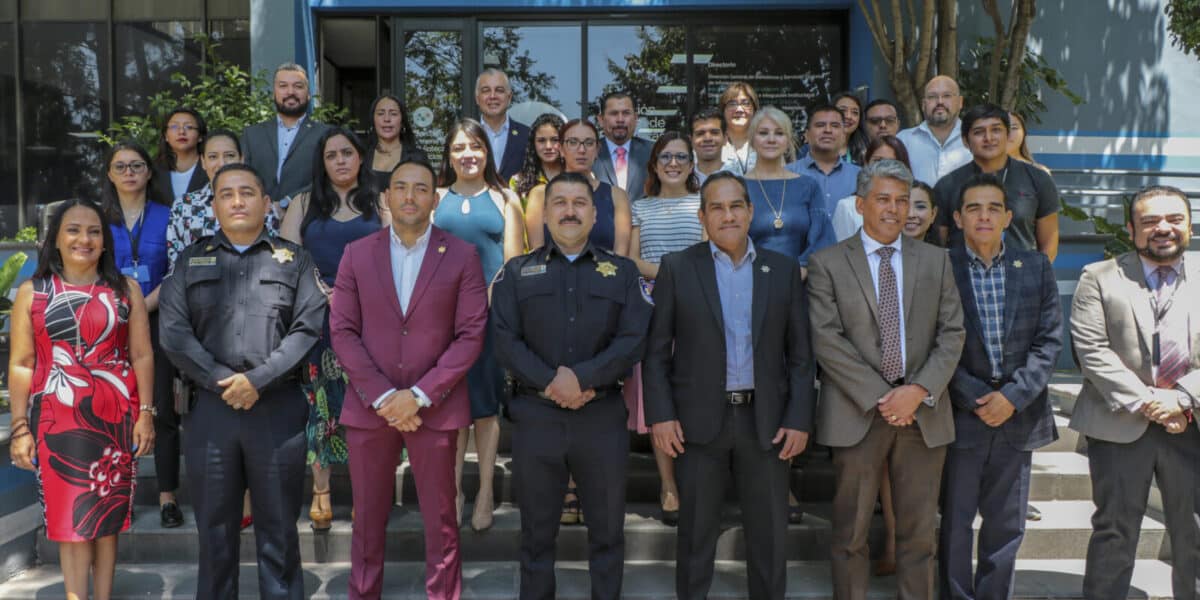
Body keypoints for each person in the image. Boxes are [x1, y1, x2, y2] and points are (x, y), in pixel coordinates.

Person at [643, 171, 814, 600]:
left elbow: (800, 355)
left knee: (769, 537)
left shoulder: (783, 270)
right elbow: (656, 353)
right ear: (702, 217)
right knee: (695, 536)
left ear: (751, 212)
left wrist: (798, 418)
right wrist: (661, 416)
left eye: (736, 205)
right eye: (716, 208)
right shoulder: (677, 267)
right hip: (698, 424)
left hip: (767, 424)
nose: (728, 215)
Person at [159, 163, 325, 599]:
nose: (237, 201)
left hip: (277, 411)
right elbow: (173, 333)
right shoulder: (190, 260)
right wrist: (221, 380)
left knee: (279, 531)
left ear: (266, 203)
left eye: (247, 193)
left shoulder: (296, 260)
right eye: (227, 194)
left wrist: (257, 380)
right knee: (214, 533)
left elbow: (307, 329)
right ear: (214, 206)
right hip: (210, 413)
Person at [330, 158, 488, 600]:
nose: (410, 196)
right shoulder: (357, 254)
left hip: (435, 408)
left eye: (421, 188)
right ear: (386, 196)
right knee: (366, 519)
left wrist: (418, 395)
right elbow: (342, 331)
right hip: (370, 408)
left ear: (435, 200)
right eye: (401, 187)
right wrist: (384, 396)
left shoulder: (462, 255)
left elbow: (471, 334)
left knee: (441, 520)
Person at [807, 159, 965, 600]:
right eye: (883, 199)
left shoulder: (936, 261)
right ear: (860, 205)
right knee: (850, 534)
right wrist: (885, 397)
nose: (895, 209)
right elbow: (826, 339)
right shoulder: (827, 263)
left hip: (923, 414)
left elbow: (953, 333)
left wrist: (916, 392)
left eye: (902, 200)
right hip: (857, 414)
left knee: (919, 536)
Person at [492, 171, 652, 599]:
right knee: (536, 535)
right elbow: (504, 340)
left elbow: (634, 338)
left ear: (595, 214)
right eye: (559, 203)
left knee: (608, 533)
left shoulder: (621, 273)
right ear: (544, 214)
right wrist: (551, 382)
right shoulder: (517, 272)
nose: (569, 211)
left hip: (601, 417)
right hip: (536, 418)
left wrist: (582, 378)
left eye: (579, 203)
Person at [7, 198, 156, 600]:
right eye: (73, 230)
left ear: (105, 242)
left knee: (106, 516)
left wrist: (146, 413)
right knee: (67, 518)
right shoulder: (33, 293)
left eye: (94, 231)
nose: (84, 239)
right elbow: (21, 364)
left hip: (115, 419)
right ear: (55, 239)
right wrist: (19, 428)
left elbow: (142, 355)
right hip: (54, 421)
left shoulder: (125, 290)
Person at [1070, 185, 1200, 600]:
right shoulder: (1099, 277)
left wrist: (1182, 398)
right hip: (1119, 424)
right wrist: (1153, 402)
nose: (1163, 228)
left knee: (1194, 532)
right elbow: (1091, 350)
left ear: (1190, 226)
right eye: (1149, 221)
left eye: (1174, 219)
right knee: (1115, 531)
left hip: (1192, 424)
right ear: (1131, 228)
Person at [939, 173, 1063, 600]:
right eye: (973, 208)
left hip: (1018, 414)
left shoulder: (1036, 267)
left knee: (1007, 526)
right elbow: (931, 342)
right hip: (961, 413)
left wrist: (1012, 396)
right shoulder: (939, 266)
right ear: (958, 218)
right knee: (955, 523)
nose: (984, 216)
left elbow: (1049, 341)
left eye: (994, 208)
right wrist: (975, 396)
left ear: (1009, 217)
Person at [278, 127, 384, 531]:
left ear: (360, 157)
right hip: (317, 314)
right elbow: (287, 258)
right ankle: (320, 491)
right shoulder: (304, 203)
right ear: (322, 163)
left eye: (347, 153)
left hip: (369, 317)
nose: (340, 160)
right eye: (331, 155)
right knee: (319, 403)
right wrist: (319, 289)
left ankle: (362, 493)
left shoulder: (380, 201)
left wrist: (354, 292)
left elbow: (395, 255)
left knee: (363, 404)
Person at [433, 118, 526, 532]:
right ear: (449, 155)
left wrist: (482, 306)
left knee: (486, 407)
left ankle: (486, 490)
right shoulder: (436, 198)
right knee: (452, 408)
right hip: (441, 321)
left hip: (488, 317)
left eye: (475, 146)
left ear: (487, 152)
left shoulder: (506, 198)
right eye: (459, 148)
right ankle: (453, 490)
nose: (467, 155)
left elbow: (511, 263)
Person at [625, 132, 705, 526]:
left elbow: (710, 253)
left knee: (693, 395)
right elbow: (631, 259)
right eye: (665, 157)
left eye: (681, 157)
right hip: (654, 310)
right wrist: (674, 274)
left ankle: (694, 482)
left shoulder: (704, 204)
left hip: (699, 309)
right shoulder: (639, 207)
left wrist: (676, 276)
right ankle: (668, 484)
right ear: (654, 165)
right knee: (658, 399)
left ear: (691, 164)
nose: (673, 163)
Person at [100, 142, 178, 529]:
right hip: (110, 322)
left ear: (149, 172)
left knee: (160, 408)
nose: (129, 172)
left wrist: (143, 305)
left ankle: (167, 497)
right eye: (120, 166)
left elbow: (177, 269)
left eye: (136, 165)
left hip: (158, 317)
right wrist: (124, 307)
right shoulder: (99, 219)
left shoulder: (169, 214)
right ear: (110, 175)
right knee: (113, 410)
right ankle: (118, 494)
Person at [934, 103, 1059, 260]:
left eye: (996, 130)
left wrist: (1037, 273)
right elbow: (937, 248)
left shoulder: (1038, 179)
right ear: (965, 141)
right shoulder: (947, 185)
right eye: (979, 132)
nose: (989, 138)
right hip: (962, 273)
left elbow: (1049, 243)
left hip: (1022, 272)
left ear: (1007, 135)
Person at [744, 106, 835, 278]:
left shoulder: (808, 186)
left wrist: (800, 270)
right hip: (750, 280)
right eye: (763, 133)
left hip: (801, 281)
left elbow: (822, 238)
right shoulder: (738, 187)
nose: (771, 139)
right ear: (752, 140)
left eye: (779, 133)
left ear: (788, 140)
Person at [167, 131, 282, 266]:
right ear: (203, 162)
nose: (221, 163)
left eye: (229, 155)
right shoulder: (184, 205)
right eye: (213, 157)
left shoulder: (259, 202)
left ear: (241, 159)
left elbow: (273, 256)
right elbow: (176, 263)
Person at [525, 118, 631, 255]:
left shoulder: (617, 196)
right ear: (561, 149)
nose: (582, 150)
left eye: (589, 143)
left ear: (597, 149)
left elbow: (621, 258)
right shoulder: (540, 195)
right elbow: (536, 256)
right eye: (573, 142)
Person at [242, 63, 331, 215]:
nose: (291, 92)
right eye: (283, 86)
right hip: (257, 217)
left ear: (308, 94)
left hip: (307, 216)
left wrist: (287, 202)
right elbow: (242, 175)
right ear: (274, 93)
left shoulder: (326, 134)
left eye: (298, 86)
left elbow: (328, 177)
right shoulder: (252, 134)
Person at [831, 135, 912, 241]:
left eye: (892, 163)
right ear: (866, 163)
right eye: (878, 161)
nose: (884, 168)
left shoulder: (912, 206)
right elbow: (841, 248)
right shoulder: (848, 207)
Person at [896, 75, 972, 185]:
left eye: (947, 96)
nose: (940, 102)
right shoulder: (903, 140)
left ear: (960, 102)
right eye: (932, 97)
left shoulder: (974, 139)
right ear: (923, 104)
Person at [788, 104, 862, 215]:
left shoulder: (860, 176)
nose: (827, 130)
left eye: (835, 126)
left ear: (843, 135)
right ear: (807, 135)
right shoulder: (787, 174)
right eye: (820, 125)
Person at [593, 91, 653, 202]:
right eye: (613, 113)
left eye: (626, 113)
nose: (620, 119)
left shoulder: (653, 152)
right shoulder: (589, 153)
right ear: (601, 120)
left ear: (636, 118)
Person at [364, 93, 428, 193]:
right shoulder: (361, 155)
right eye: (380, 113)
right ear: (373, 119)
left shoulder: (417, 157)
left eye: (393, 114)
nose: (387, 119)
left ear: (402, 120)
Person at [476, 68, 531, 182]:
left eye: (499, 90)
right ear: (477, 98)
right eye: (486, 91)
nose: (492, 96)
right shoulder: (466, 134)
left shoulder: (527, 136)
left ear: (509, 97)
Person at [510, 112, 565, 207]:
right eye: (541, 141)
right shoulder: (518, 182)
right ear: (533, 144)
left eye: (555, 140)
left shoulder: (576, 177)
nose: (548, 146)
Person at [155, 107, 209, 203]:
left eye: (189, 127)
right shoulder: (153, 170)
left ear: (200, 136)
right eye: (174, 127)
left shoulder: (210, 167)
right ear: (166, 136)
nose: (181, 132)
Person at [719, 81, 759, 175]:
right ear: (723, 110)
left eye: (746, 103)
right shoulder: (715, 144)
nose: (739, 110)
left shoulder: (764, 143)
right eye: (732, 104)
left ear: (754, 110)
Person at [690, 107, 727, 185]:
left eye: (714, 132)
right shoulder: (683, 180)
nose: (707, 138)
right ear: (691, 141)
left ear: (725, 138)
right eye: (700, 133)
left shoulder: (739, 181)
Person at [834, 92, 869, 164]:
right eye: (842, 110)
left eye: (855, 112)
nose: (848, 116)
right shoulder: (813, 149)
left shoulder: (864, 155)